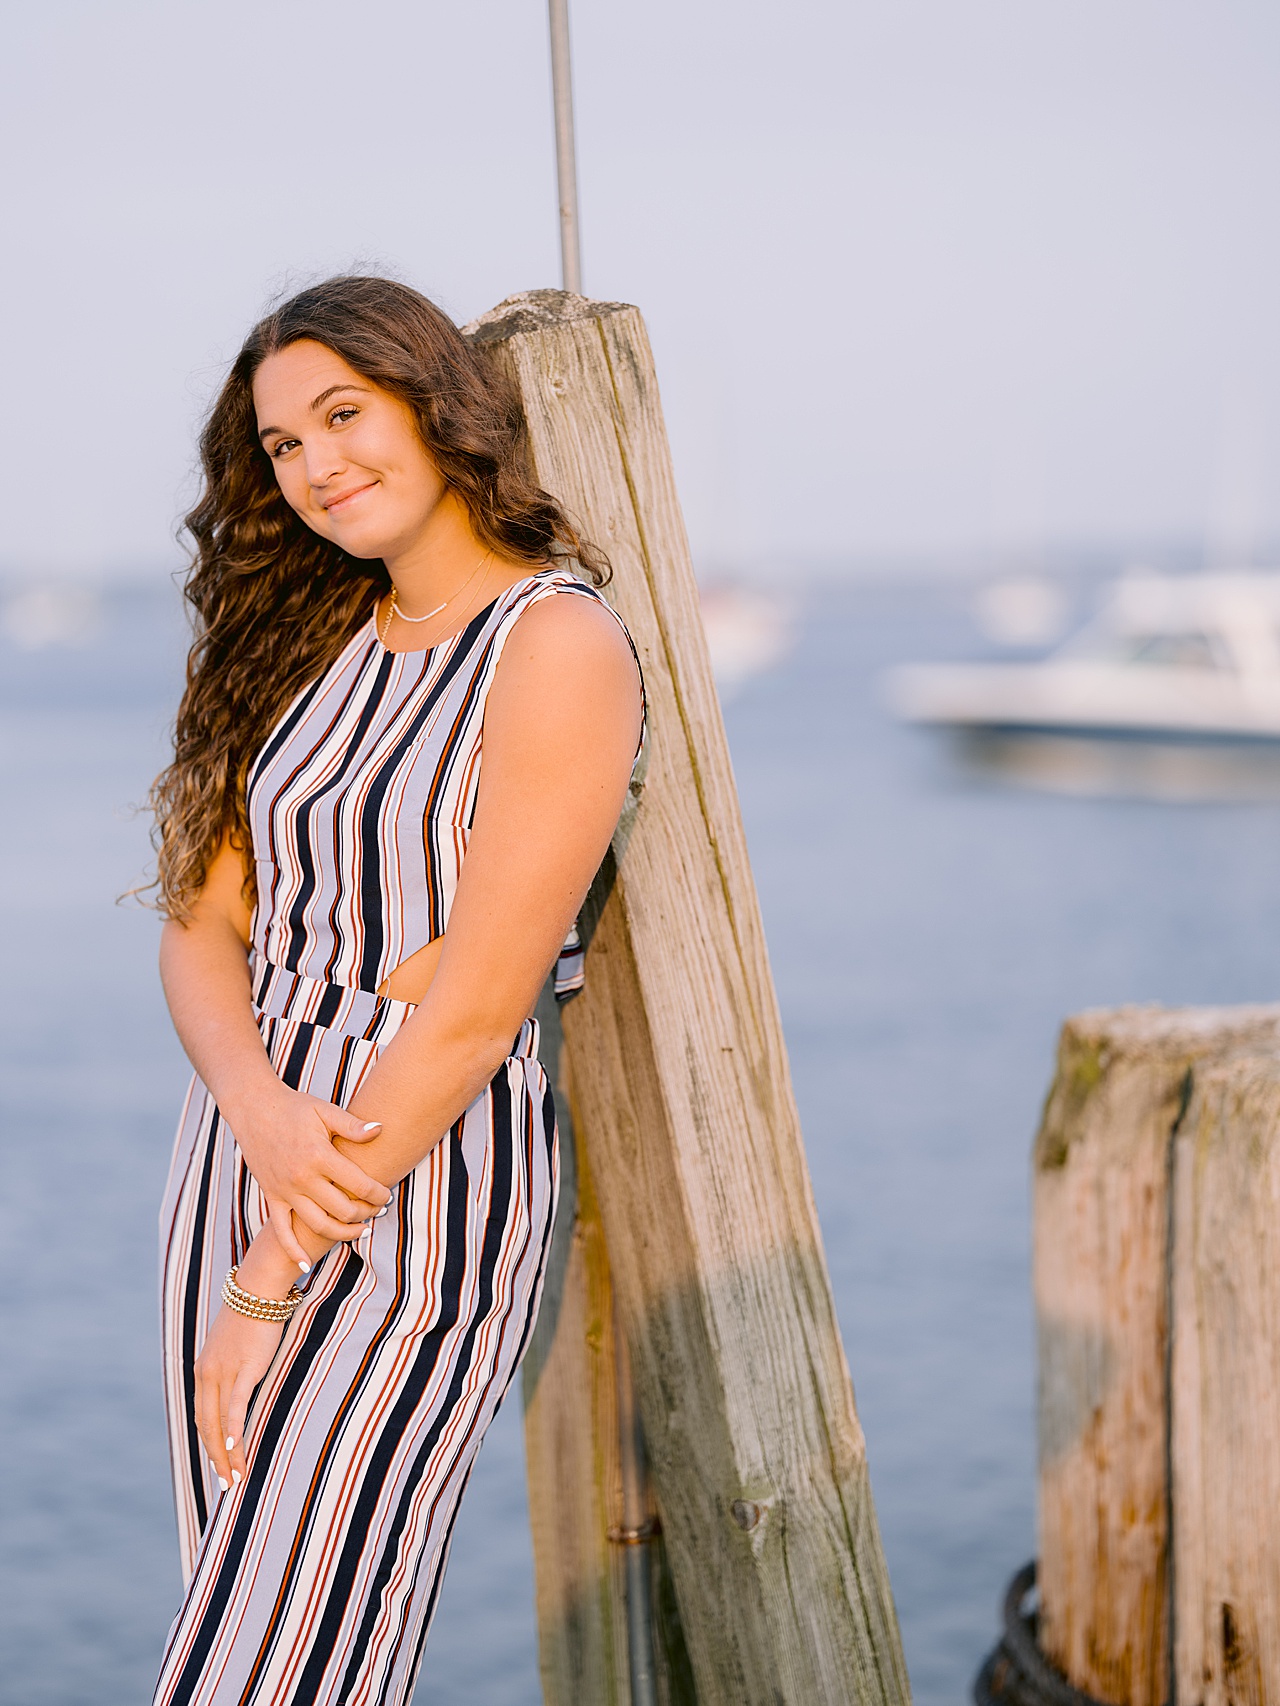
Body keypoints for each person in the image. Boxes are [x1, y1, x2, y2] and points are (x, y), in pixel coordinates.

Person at [148, 275, 644, 1705]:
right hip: (239, 1156)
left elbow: (477, 1007)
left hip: (410, 1182)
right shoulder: (310, 643)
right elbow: (200, 932)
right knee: (232, 1614)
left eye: (343, 416)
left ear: (440, 405)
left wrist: (271, 1269)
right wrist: (257, 1113)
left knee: (274, 1669)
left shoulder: (554, 643)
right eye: (283, 445)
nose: (315, 466)